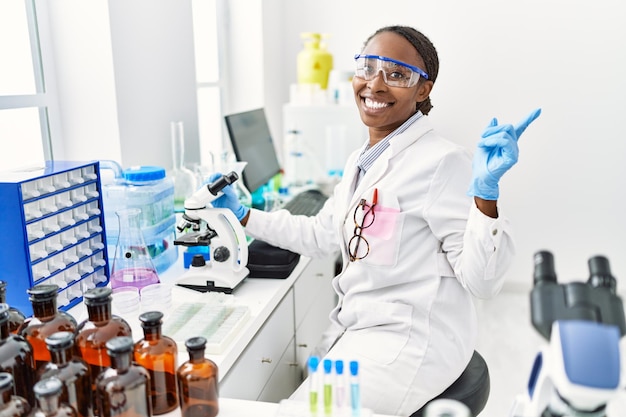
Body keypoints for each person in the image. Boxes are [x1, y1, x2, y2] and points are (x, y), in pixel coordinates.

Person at [210, 25, 541, 415]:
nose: (376, 84)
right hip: (362, 333)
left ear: (423, 89)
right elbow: (322, 234)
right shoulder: (361, 161)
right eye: (368, 67)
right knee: (295, 405)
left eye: (397, 74)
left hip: (411, 343)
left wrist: (485, 194)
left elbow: (481, 281)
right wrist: (244, 215)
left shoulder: (441, 161)